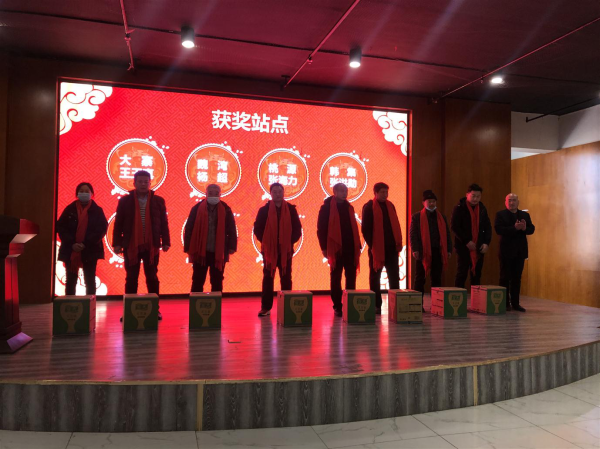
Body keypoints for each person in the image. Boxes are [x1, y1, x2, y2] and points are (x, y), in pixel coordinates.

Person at [113, 170, 170, 319]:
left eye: (146, 182)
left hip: (151, 245)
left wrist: (166, 241)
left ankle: (155, 310)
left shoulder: (158, 200)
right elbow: (118, 223)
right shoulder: (125, 201)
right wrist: (117, 243)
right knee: (131, 278)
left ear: (150, 183)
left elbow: (163, 223)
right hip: (132, 245)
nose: (143, 184)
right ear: (134, 183)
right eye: (140, 181)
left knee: (152, 277)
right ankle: (128, 310)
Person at [253, 183, 302, 317]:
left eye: (280, 192)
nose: (277, 194)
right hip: (269, 250)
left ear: (283, 193)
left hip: (286, 250)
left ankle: (287, 306)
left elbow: (297, 228)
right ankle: (266, 307)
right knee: (268, 278)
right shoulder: (264, 210)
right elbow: (257, 228)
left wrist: (289, 242)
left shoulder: (291, 209)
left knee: (286, 277)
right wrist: (267, 241)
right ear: (271, 194)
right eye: (274, 192)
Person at [317, 183, 362, 317]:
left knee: (351, 277)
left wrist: (358, 246)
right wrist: (324, 248)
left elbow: (354, 228)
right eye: (341, 191)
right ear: (334, 192)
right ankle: (337, 305)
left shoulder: (349, 207)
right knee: (336, 277)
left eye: (345, 191)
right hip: (335, 248)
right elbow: (321, 229)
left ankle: (350, 304)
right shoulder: (326, 208)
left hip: (350, 247)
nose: (344, 193)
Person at [184, 184, 237, 292]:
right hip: (200, 251)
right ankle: (196, 303)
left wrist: (232, 246)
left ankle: (216, 303)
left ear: (220, 194)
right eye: (210, 193)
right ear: (206, 194)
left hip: (218, 252)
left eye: (216, 193)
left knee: (217, 281)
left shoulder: (226, 209)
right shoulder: (197, 208)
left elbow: (232, 229)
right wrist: (188, 247)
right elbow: (189, 228)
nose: (213, 195)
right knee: (198, 280)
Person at [57, 182, 108, 295]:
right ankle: (69, 304)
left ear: (92, 194)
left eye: (86, 191)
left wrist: (85, 244)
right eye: (81, 191)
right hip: (71, 249)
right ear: (77, 194)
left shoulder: (97, 210)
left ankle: (90, 304)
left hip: (90, 250)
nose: (84, 193)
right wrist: (72, 244)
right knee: (70, 280)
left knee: (90, 280)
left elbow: (101, 229)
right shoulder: (69, 209)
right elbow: (61, 227)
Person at [361, 182, 403, 314]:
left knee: (394, 277)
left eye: (386, 192)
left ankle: (395, 305)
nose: (385, 195)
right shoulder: (368, 207)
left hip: (391, 249)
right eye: (382, 192)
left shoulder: (391, 206)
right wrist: (373, 246)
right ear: (375, 193)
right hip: (377, 249)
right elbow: (365, 229)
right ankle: (376, 305)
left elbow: (396, 225)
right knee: (375, 278)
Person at [410, 190, 452, 308]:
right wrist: (415, 249)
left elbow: (447, 234)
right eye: (429, 201)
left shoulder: (441, 217)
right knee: (420, 279)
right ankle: (417, 305)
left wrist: (448, 249)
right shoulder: (417, 217)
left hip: (438, 251)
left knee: (437, 279)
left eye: (433, 201)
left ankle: (437, 305)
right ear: (423, 203)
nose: (432, 204)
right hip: (422, 252)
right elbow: (413, 235)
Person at [494, 193, 535, 312]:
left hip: (520, 251)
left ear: (518, 202)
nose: (512, 203)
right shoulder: (500, 214)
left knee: (517, 278)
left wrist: (524, 228)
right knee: (504, 277)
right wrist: (514, 228)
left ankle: (516, 303)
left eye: (514, 200)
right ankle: (504, 303)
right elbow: (498, 229)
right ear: (505, 202)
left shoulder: (524, 215)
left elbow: (531, 229)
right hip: (506, 251)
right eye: (509, 200)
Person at [451, 183, 492, 288]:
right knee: (462, 273)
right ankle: (458, 298)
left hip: (478, 246)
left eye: (478, 196)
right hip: (463, 246)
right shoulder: (459, 208)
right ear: (467, 195)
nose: (475, 199)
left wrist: (486, 243)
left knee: (477, 275)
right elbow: (455, 227)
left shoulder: (482, 208)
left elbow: (487, 227)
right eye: (473, 196)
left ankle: (476, 297)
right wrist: (467, 241)